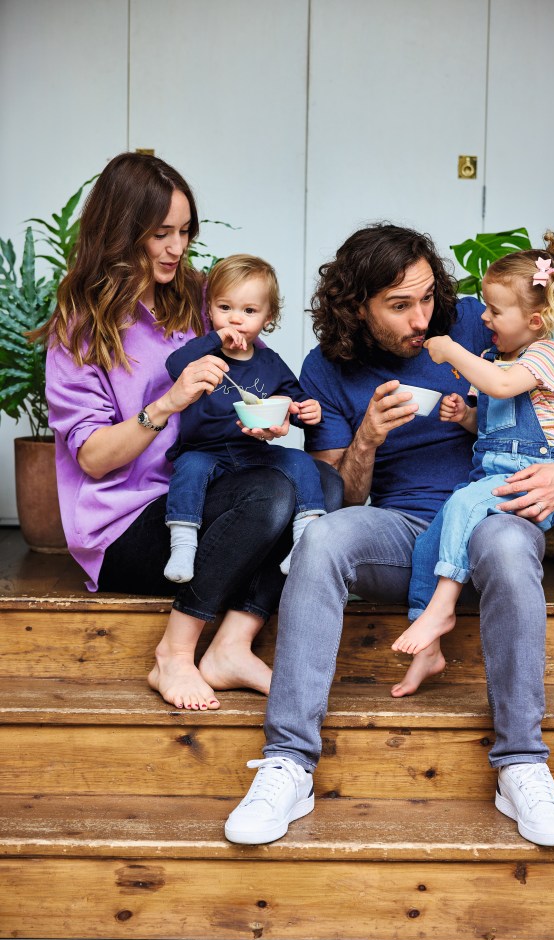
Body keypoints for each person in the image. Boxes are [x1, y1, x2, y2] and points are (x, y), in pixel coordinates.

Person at [224, 223, 554, 849]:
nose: (421, 318)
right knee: (321, 540)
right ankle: (289, 763)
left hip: (496, 516)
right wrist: (368, 439)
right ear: (358, 307)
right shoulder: (328, 368)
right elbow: (337, 495)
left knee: (507, 545)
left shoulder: (488, 322)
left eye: (428, 297)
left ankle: (521, 764)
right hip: (404, 531)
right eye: (399, 306)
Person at [43, 152, 342, 712]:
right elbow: (93, 460)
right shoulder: (82, 330)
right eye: (160, 234)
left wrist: (273, 410)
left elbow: (250, 360)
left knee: (321, 488)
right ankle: (175, 654)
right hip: (128, 524)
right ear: (121, 232)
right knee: (272, 494)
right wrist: (169, 399)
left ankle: (232, 644)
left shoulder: (198, 298)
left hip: (211, 485)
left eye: (183, 232)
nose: (176, 249)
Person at [392, 234, 554, 677]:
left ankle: (441, 610)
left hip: (527, 478)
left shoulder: (547, 356)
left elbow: (503, 388)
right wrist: (465, 417)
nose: (483, 317)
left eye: (495, 311)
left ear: (536, 321)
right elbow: (495, 421)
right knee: (431, 540)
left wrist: (452, 351)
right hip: (489, 474)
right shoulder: (495, 358)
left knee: (460, 504)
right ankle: (428, 649)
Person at [163, 254, 326, 584]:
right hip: (205, 450)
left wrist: (308, 412)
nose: (235, 319)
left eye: (249, 311)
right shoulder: (203, 352)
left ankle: (304, 542)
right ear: (209, 309)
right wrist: (214, 339)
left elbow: (294, 405)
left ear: (269, 317)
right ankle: (182, 545)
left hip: (254, 451)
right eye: (225, 308)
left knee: (302, 463)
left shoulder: (269, 362)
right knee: (189, 468)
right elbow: (174, 366)